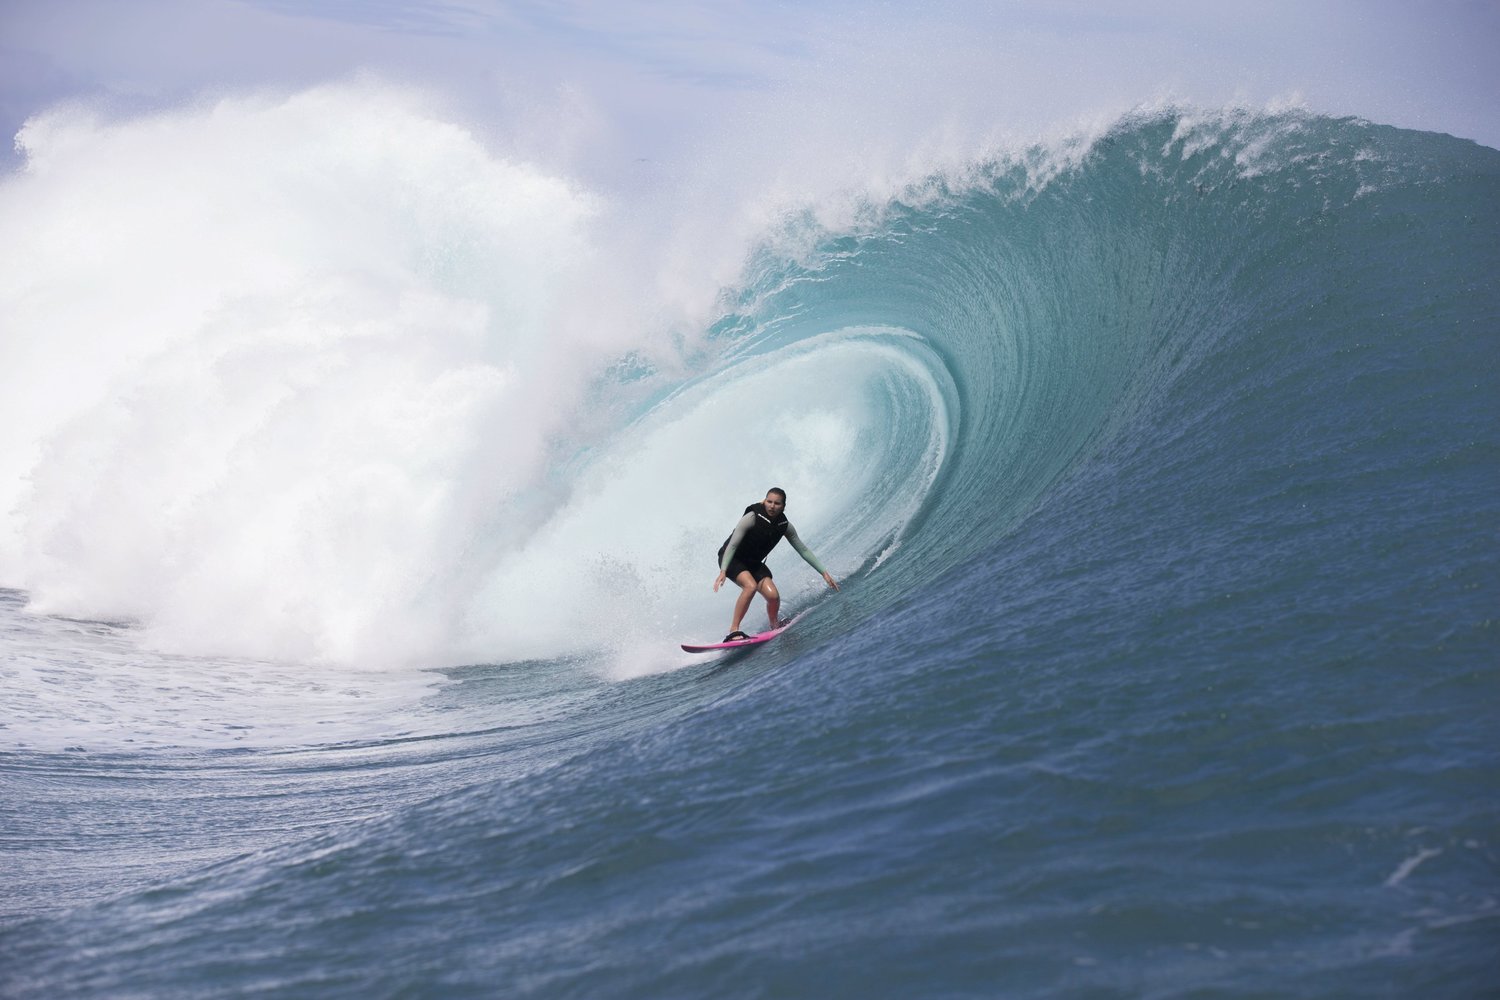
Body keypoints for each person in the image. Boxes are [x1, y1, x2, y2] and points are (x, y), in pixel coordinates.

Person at [713, 487, 839, 641]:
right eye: (769, 501)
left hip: (753, 563)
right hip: (732, 558)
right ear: (764, 501)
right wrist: (723, 571)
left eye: (777, 503)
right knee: (750, 586)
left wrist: (824, 572)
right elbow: (732, 545)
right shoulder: (752, 517)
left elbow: (803, 550)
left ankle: (774, 624)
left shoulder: (784, 525)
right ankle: (733, 631)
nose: (772, 506)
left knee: (773, 596)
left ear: (784, 506)